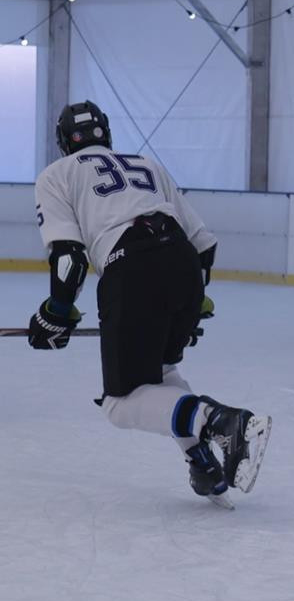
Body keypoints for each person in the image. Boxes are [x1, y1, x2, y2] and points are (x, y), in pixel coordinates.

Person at [30, 101, 271, 508]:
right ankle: (202, 463)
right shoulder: (145, 164)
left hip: (130, 268)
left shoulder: (57, 175)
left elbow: (70, 257)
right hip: (182, 264)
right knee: (159, 374)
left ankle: (218, 421)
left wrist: (55, 314)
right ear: (106, 133)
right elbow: (204, 246)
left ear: (62, 141)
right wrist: (193, 302)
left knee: (120, 403)